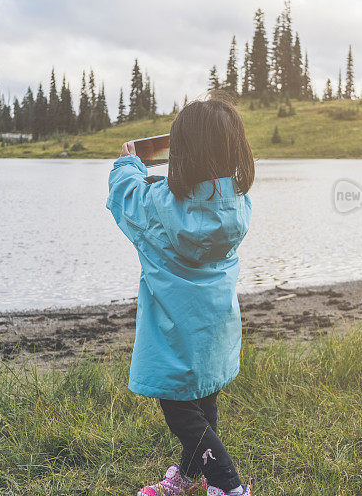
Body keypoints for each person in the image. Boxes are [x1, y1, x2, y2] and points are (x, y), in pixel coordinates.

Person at [106, 95, 255, 496]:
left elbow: (127, 195)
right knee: (203, 401)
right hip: (215, 328)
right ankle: (190, 477)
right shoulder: (238, 206)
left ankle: (229, 486)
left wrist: (127, 163)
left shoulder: (158, 205)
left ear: (181, 153)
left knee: (180, 411)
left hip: (175, 334)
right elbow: (197, 201)